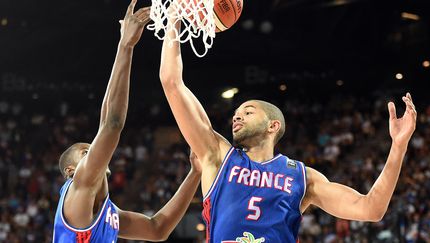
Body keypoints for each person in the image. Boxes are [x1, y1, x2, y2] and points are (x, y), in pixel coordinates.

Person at [158, 17, 417, 242]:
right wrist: (174, 20)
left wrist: (398, 146)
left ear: (273, 126)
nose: (237, 117)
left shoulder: (303, 178)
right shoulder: (217, 155)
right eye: (236, 114)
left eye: (248, 111)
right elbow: (171, 82)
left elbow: (371, 209)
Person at [53, 2, 201, 242]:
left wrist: (195, 173)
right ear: (71, 171)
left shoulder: (108, 212)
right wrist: (125, 46)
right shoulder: (77, 190)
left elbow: (157, 229)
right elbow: (110, 124)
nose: (95, 151)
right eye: (86, 152)